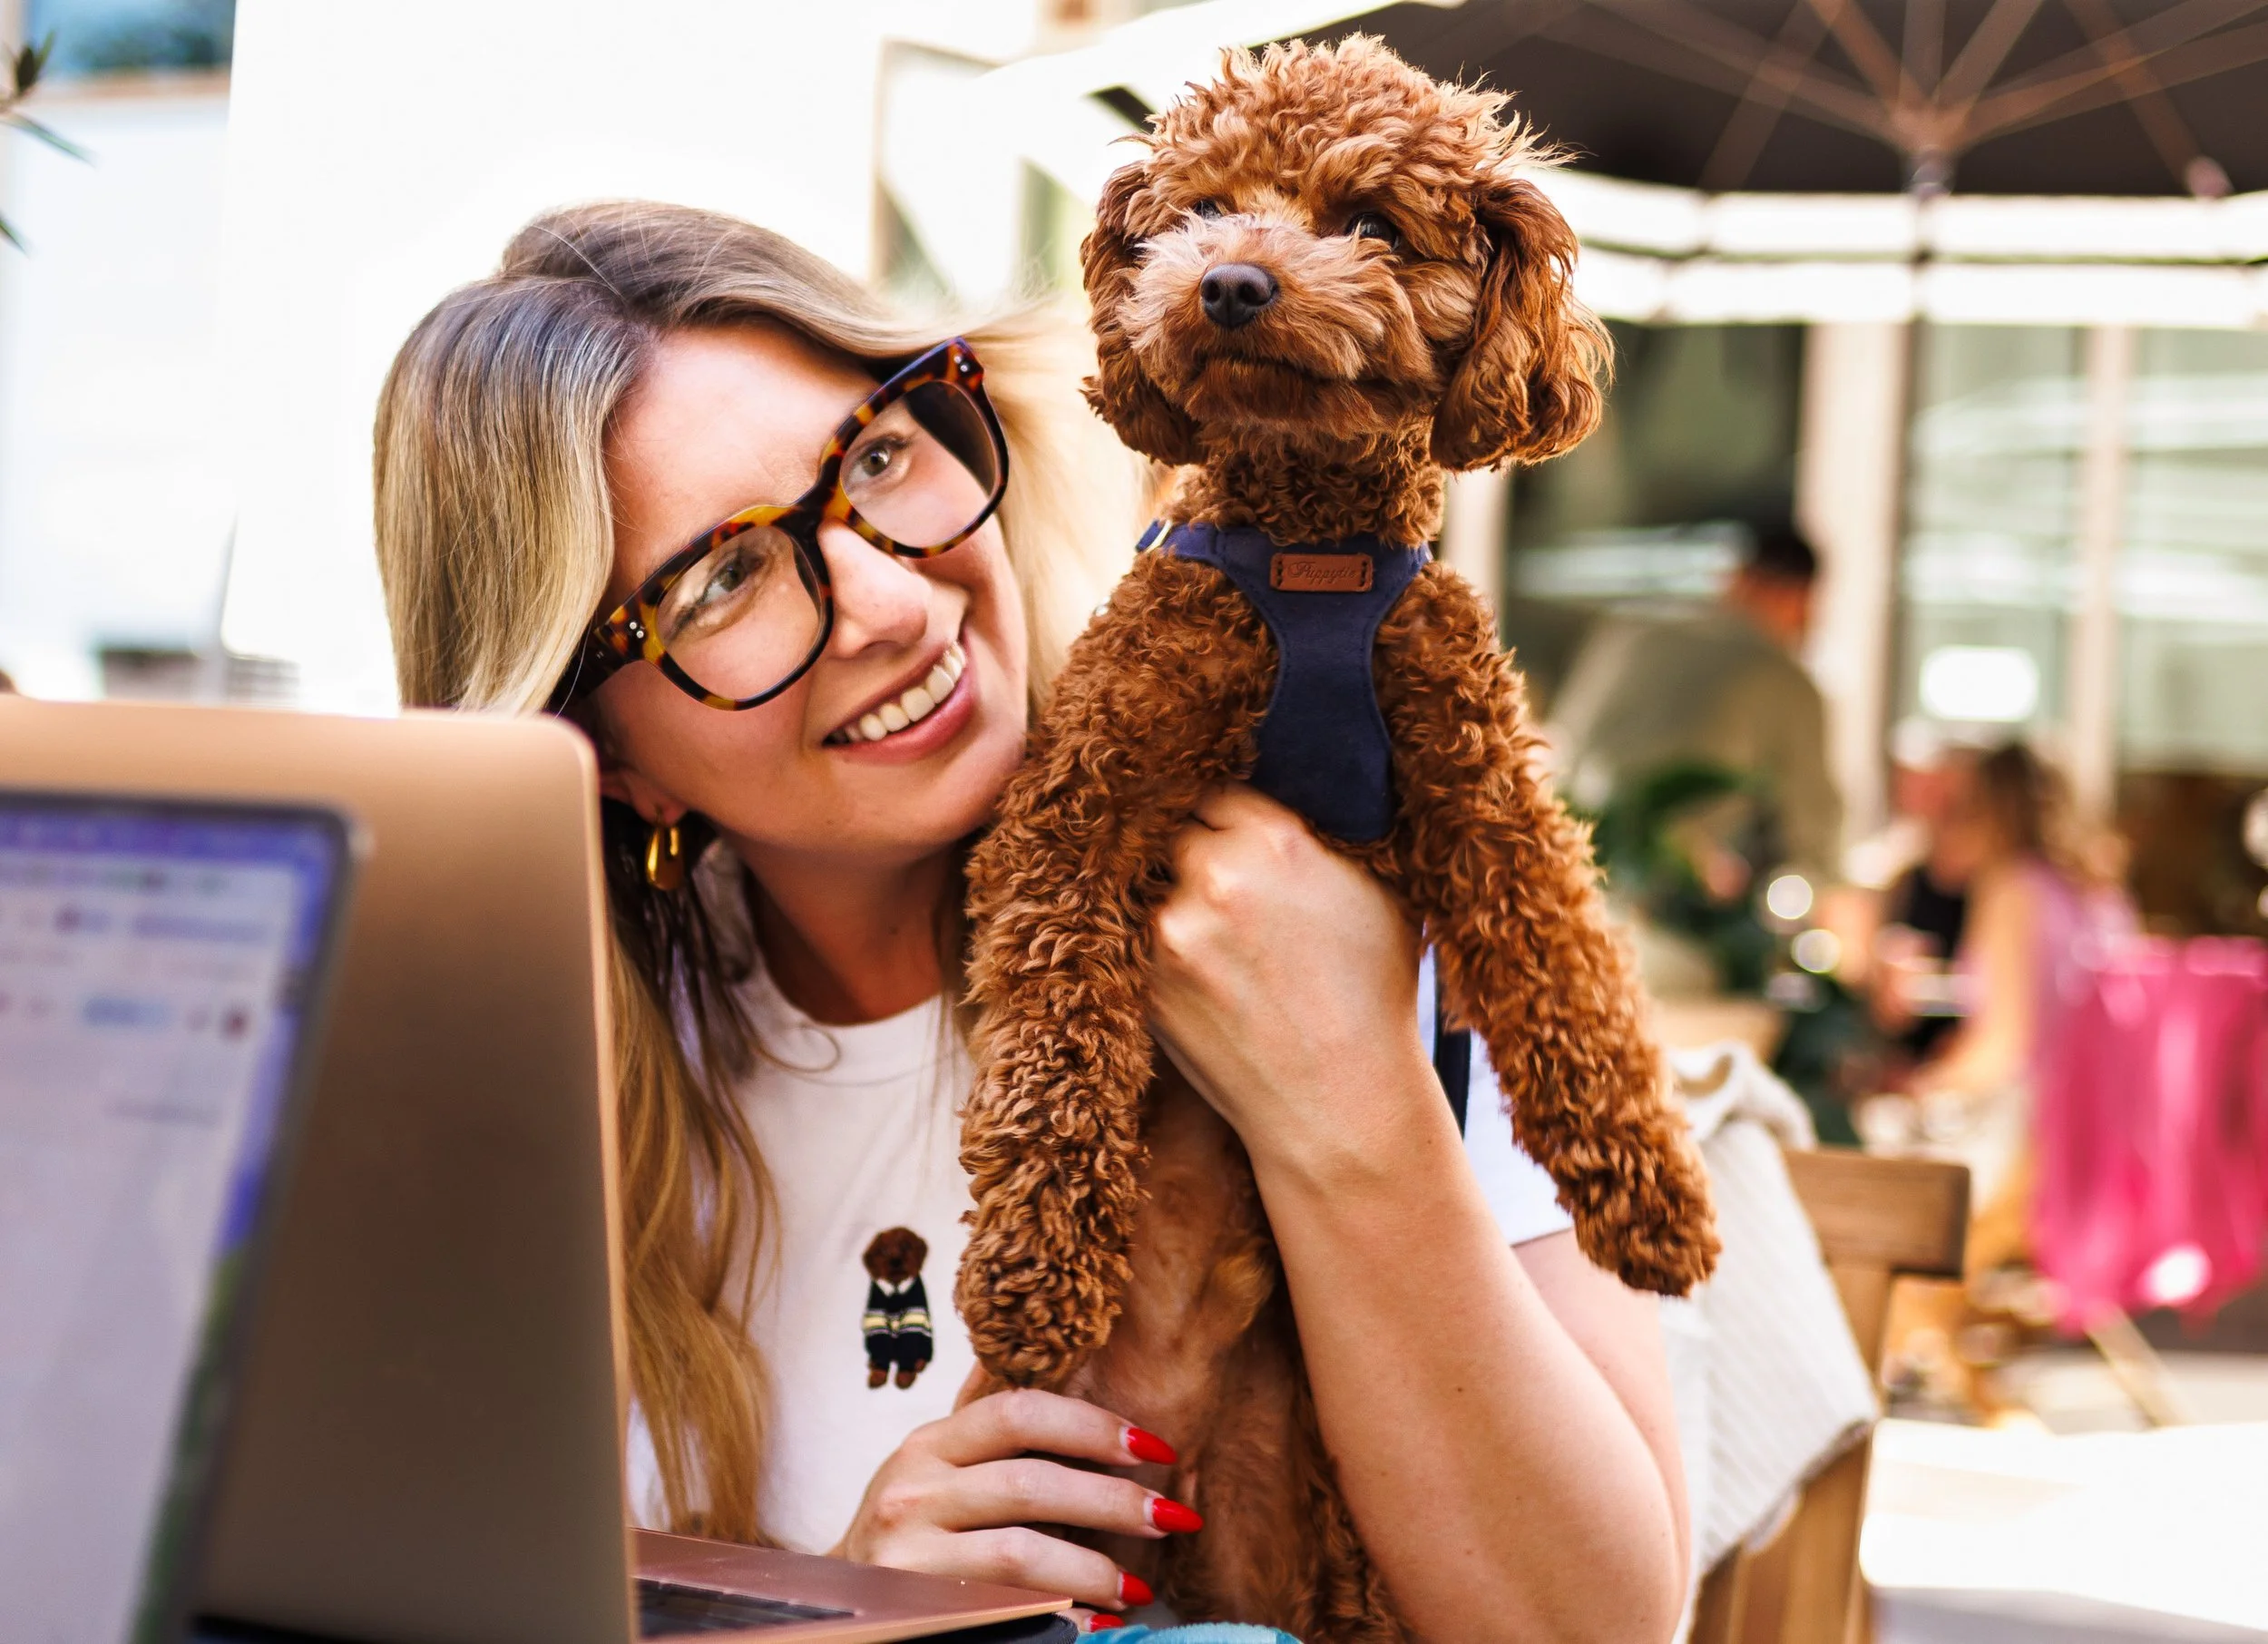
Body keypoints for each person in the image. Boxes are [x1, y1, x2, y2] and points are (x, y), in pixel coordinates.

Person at [371, 202, 1687, 1641]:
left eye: (877, 456)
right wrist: (841, 1616)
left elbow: (1606, 1628)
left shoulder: (1327, 869)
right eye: (723, 578)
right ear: (594, 748)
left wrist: (1349, 1098)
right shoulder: (540, 1116)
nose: (887, 597)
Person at [1549, 525, 1842, 886]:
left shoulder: (1628, 633)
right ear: (1800, 598)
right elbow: (1815, 825)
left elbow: (1564, 739)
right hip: (1672, 896)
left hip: (1565, 858)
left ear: (1734, 579)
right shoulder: (1784, 677)